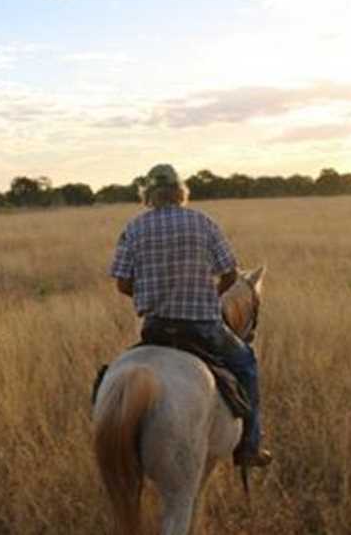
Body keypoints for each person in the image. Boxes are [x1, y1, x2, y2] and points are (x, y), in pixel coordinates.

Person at [109, 164, 272, 468]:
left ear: (148, 194)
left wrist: (151, 296)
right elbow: (230, 273)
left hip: (155, 329)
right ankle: (250, 446)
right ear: (180, 191)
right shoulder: (203, 222)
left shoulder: (133, 228)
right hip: (204, 327)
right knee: (246, 364)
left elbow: (122, 284)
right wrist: (209, 297)